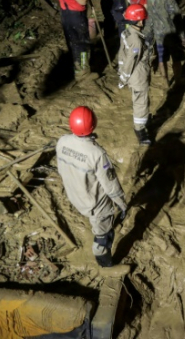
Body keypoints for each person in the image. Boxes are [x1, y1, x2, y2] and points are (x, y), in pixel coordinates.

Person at [56, 106, 127, 268]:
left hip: (75, 195)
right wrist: (122, 204)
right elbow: (110, 185)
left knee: (99, 222)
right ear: (93, 124)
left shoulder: (62, 141)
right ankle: (105, 264)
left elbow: (61, 169)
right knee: (103, 236)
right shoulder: (96, 154)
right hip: (95, 205)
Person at [117, 4, 153, 145]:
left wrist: (121, 74)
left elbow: (122, 54)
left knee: (141, 102)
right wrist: (123, 78)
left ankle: (142, 122)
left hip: (135, 74)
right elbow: (131, 61)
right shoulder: (136, 40)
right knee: (141, 103)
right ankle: (140, 131)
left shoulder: (127, 32)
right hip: (138, 76)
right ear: (140, 21)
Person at [146, 0, 185, 86]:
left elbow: (149, 17)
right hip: (170, 33)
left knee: (161, 57)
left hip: (158, 33)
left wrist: (148, 33)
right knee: (176, 57)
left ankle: (165, 80)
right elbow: (178, 19)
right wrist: (182, 36)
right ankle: (178, 79)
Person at [55, 0, 91, 75]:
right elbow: (83, 0)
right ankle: (83, 69)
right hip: (76, 16)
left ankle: (76, 67)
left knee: (73, 42)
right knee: (82, 42)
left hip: (66, 15)